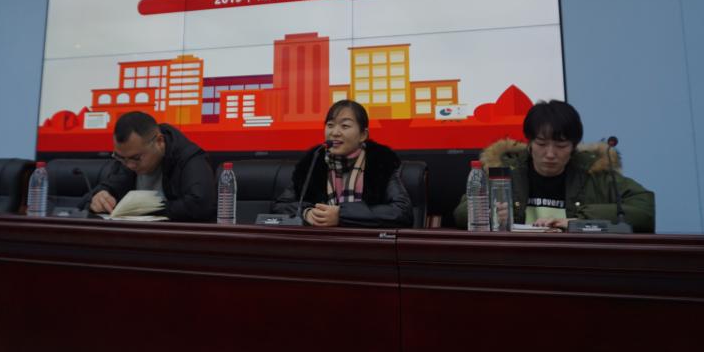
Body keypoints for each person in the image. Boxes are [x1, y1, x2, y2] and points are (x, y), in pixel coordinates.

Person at [454, 100, 655, 232]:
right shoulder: (504, 172)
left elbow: (645, 211)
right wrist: (493, 214)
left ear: (574, 147)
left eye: (561, 146)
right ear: (529, 143)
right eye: (541, 144)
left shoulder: (595, 173)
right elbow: (462, 212)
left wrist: (579, 220)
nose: (550, 154)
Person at [272, 99, 413, 228]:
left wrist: (341, 215)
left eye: (345, 126)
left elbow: (402, 212)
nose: (334, 132)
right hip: (319, 242)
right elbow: (280, 206)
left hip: (365, 243)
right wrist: (306, 213)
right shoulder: (313, 163)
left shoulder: (380, 163)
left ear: (363, 135)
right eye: (330, 125)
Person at [85, 111, 215, 222]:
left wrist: (145, 209)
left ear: (159, 142)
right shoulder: (126, 158)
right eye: (120, 157)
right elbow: (107, 187)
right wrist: (100, 196)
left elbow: (200, 206)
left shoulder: (190, 159)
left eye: (136, 158)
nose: (129, 165)